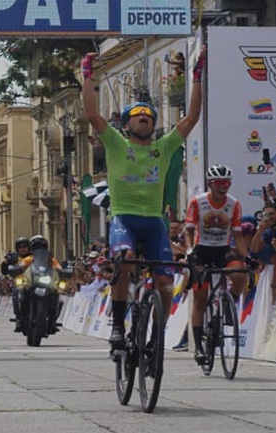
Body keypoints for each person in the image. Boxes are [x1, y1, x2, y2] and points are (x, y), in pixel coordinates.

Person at [81, 46, 205, 348]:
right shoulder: (115, 143)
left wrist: (197, 77)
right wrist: (87, 76)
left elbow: (190, 118)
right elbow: (92, 114)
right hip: (124, 218)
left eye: (148, 115)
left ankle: (155, 335)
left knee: (164, 284)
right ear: (126, 125)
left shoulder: (162, 148)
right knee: (124, 261)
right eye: (136, 116)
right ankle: (119, 325)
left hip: (155, 223)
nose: (143, 117)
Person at [184, 164, 249, 364]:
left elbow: (237, 235)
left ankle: (230, 303)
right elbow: (188, 231)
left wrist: (247, 257)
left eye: (226, 182)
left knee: (240, 273)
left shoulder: (234, 204)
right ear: (210, 184)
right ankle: (198, 347)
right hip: (201, 249)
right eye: (219, 183)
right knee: (200, 299)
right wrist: (188, 252)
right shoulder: (198, 202)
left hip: (223, 248)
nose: (223, 186)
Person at [16, 235, 63, 334]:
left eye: (41, 246)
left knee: (56, 294)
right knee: (18, 294)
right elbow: (21, 265)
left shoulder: (50, 259)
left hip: (46, 283)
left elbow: (58, 267)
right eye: (36, 246)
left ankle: (52, 320)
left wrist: (62, 271)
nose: (39, 248)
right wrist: (17, 268)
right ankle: (19, 319)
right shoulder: (29, 258)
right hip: (32, 283)